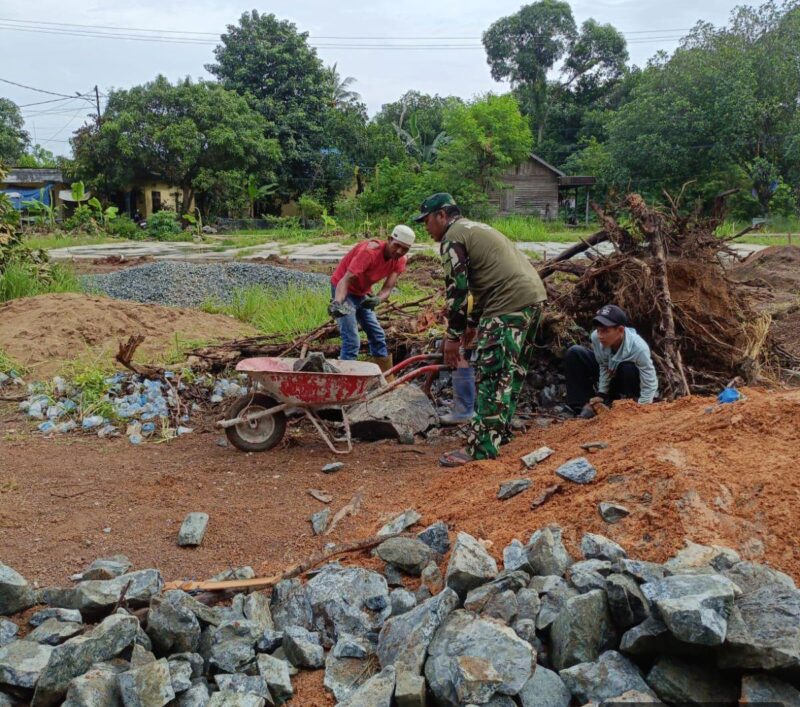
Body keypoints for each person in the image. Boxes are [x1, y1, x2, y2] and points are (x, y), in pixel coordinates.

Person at [413, 192, 548, 467]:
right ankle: (500, 433)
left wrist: (452, 338)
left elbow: (458, 292)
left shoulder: (453, 238)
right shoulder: (474, 229)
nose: (425, 228)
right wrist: (472, 325)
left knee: (492, 375)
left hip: (508, 303)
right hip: (533, 299)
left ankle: (482, 449)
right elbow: (484, 283)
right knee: (510, 373)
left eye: (426, 221)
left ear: (442, 215)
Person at [328, 225, 415, 367]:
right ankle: (345, 377)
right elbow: (346, 279)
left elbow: (388, 288)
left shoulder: (400, 260)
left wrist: (378, 299)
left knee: (378, 335)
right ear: (389, 239)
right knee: (351, 340)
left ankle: (383, 377)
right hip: (344, 291)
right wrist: (337, 303)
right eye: (397, 246)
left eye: (405, 249)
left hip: (362, 292)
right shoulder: (369, 252)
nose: (399, 251)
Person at [564, 304, 659, 418]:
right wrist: (602, 394)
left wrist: (642, 408)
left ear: (620, 330)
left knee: (627, 367)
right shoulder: (596, 338)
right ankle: (583, 409)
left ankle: (628, 404)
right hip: (611, 376)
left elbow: (649, 383)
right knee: (575, 352)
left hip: (630, 383)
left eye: (605, 331)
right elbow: (603, 365)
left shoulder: (638, 347)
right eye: (598, 330)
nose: (600, 336)